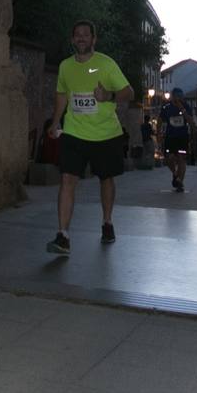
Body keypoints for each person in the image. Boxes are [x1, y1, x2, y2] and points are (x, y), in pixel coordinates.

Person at [46, 20, 133, 254]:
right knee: (67, 179)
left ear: (94, 39)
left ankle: (107, 222)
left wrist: (108, 95)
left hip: (105, 134)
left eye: (86, 35)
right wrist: (55, 122)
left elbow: (129, 92)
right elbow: (62, 95)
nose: (82, 38)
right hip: (74, 132)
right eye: (78, 35)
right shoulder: (65, 66)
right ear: (73, 40)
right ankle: (63, 236)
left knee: (106, 179)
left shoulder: (106, 64)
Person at [158, 88, 193, 192]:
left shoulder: (186, 106)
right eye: (177, 96)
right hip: (170, 136)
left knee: (181, 158)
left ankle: (180, 182)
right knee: (168, 158)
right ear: (173, 96)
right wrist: (158, 133)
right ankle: (175, 173)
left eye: (180, 96)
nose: (179, 98)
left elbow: (190, 120)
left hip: (182, 136)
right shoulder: (166, 107)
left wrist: (182, 108)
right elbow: (160, 119)